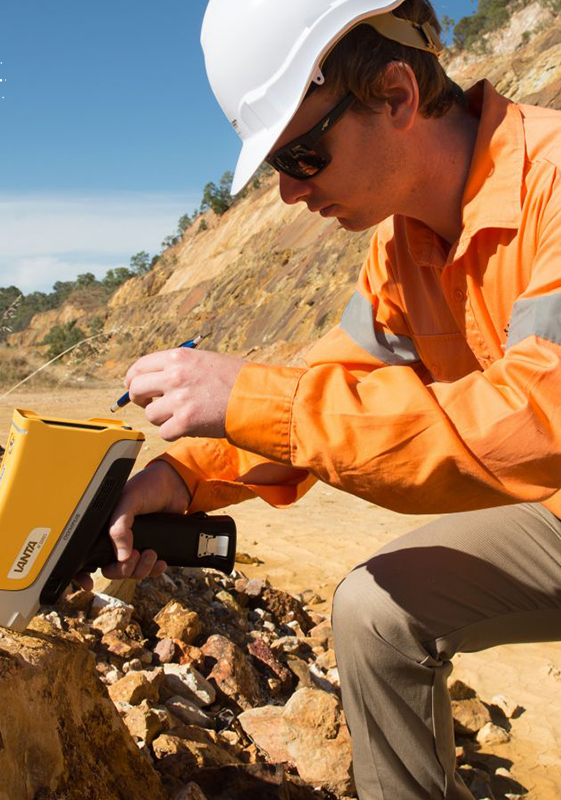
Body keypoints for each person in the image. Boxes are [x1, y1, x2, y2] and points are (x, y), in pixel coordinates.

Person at [88, 0, 561, 797]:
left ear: (397, 95)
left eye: (301, 154)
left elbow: (540, 421)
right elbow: (332, 385)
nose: (287, 192)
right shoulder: (401, 249)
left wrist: (254, 398)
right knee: (375, 614)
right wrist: (180, 477)